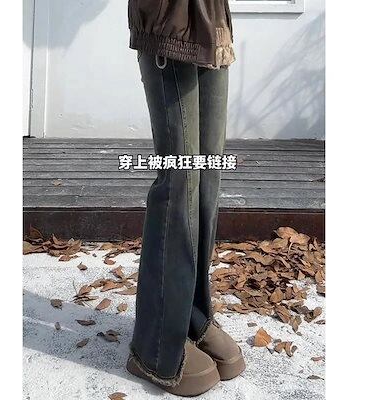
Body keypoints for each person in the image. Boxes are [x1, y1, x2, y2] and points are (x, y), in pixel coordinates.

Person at [126, 1, 246, 396]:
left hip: (213, 25)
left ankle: (192, 317)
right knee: (180, 182)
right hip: (168, 22)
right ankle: (156, 343)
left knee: (207, 179)